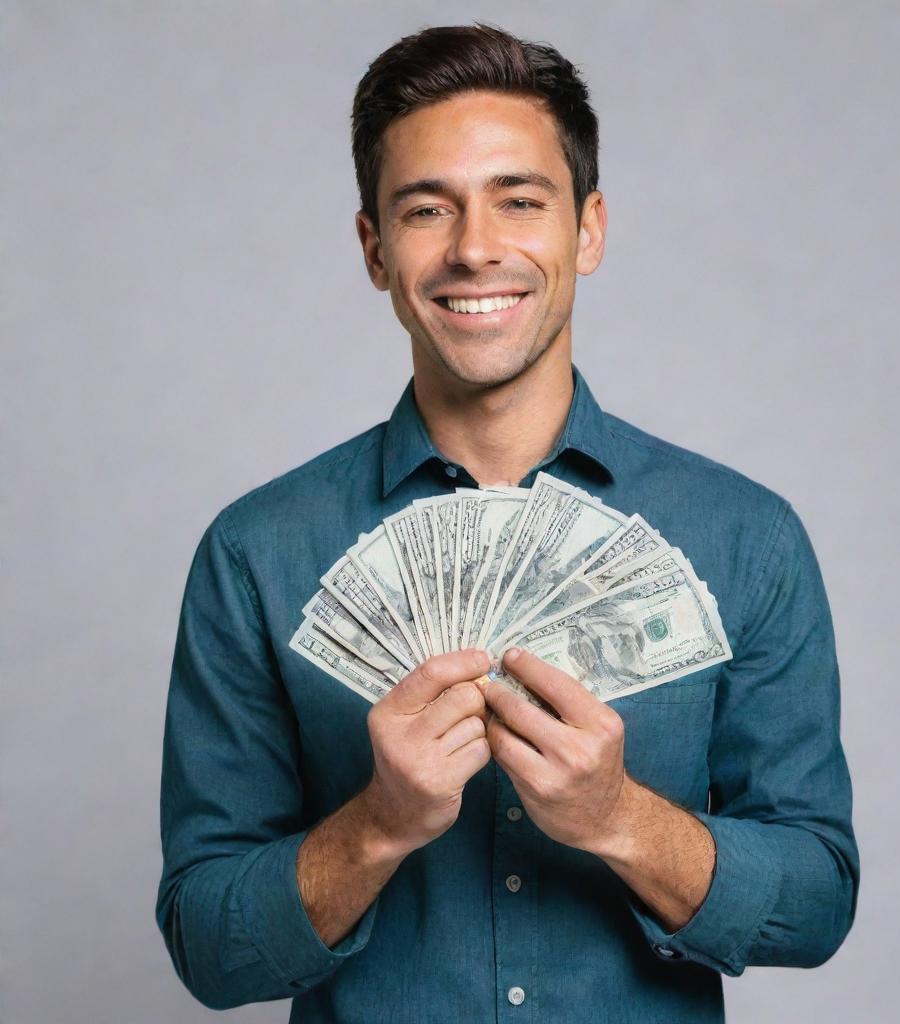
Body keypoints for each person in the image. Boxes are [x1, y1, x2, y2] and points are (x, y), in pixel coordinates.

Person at [156, 23, 859, 1022]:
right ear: (373, 249)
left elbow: (818, 901)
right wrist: (377, 824)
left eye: (518, 201)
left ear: (588, 230)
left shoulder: (746, 536)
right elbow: (207, 948)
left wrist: (617, 817)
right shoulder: (256, 553)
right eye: (426, 208)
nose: (474, 247)